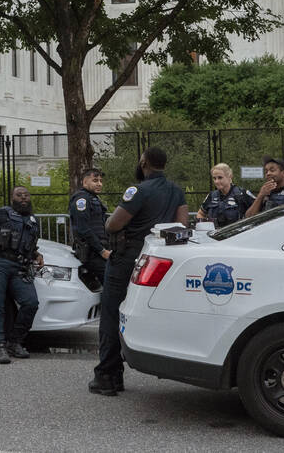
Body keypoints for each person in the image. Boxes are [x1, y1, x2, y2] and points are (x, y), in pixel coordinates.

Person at [89, 146, 187, 396]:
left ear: (143, 162)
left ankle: (108, 377)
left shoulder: (139, 190)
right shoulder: (176, 191)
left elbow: (113, 224)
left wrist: (112, 222)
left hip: (127, 259)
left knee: (111, 314)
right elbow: (182, 225)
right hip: (156, 258)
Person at [0, 185, 43, 364]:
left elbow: (29, 245)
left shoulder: (33, 220)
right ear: (12, 198)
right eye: (19, 195)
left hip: (20, 266)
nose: (24, 198)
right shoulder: (1, 213)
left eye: (26, 195)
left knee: (30, 302)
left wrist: (37, 255)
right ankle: (0, 346)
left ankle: (15, 341)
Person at [69, 167, 110, 289]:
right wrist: (102, 251)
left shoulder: (92, 198)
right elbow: (83, 228)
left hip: (97, 250)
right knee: (110, 285)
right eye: (95, 180)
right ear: (85, 182)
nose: (99, 184)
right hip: (92, 252)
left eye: (100, 181)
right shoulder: (82, 199)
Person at [197, 163, 254, 228]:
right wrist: (204, 228)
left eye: (220, 178)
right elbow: (200, 214)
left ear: (229, 177)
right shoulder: (211, 195)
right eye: (214, 178)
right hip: (215, 236)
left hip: (237, 235)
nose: (216, 181)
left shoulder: (242, 194)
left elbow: (258, 212)